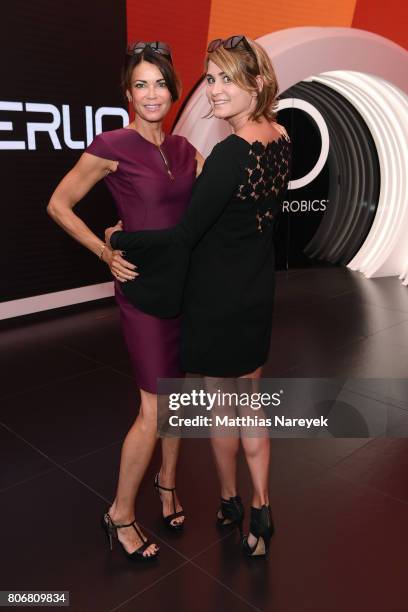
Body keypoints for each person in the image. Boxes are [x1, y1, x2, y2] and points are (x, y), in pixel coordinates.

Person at [105, 35, 291, 558]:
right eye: (210, 78)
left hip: (215, 305)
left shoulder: (230, 155)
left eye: (226, 78)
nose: (213, 90)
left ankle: (231, 501)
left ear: (257, 83)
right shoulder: (280, 137)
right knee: (251, 408)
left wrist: (120, 239)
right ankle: (262, 507)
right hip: (257, 297)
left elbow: (184, 237)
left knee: (222, 410)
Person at [47, 41, 203, 561]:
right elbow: (59, 203)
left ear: (174, 90)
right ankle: (119, 513)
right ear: (128, 93)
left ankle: (167, 485)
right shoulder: (111, 144)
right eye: (141, 84)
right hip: (142, 288)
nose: (152, 93)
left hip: (184, 286)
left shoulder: (185, 150)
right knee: (155, 408)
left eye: (160, 82)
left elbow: (203, 213)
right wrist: (103, 248)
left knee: (177, 400)